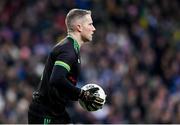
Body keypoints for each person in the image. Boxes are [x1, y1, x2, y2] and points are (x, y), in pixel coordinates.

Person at [28, 8, 104, 124]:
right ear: (79, 27)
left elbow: (60, 87)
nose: (94, 28)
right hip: (45, 113)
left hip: (57, 111)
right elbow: (56, 79)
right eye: (90, 24)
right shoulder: (68, 50)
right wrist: (82, 94)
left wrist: (79, 96)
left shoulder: (71, 48)